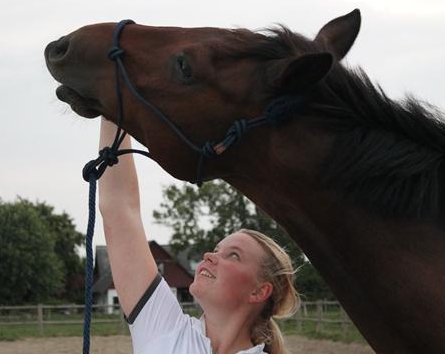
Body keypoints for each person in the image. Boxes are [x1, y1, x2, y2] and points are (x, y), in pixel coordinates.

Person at [98, 117, 301, 354]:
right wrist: (111, 107)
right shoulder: (163, 329)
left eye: (233, 255)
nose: (209, 256)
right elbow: (120, 208)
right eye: (216, 250)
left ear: (258, 292)